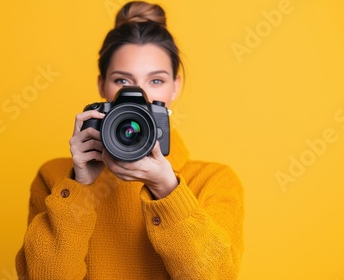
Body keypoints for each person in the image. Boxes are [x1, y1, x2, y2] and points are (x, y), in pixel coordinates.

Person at [15, 1, 244, 279]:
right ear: (102, 86)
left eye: (156, 81)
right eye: (123, 81)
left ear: (176, 86)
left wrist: (168, 190)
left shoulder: (213, 181)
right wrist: (79, 185)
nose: (141, 96)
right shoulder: (54, 177)